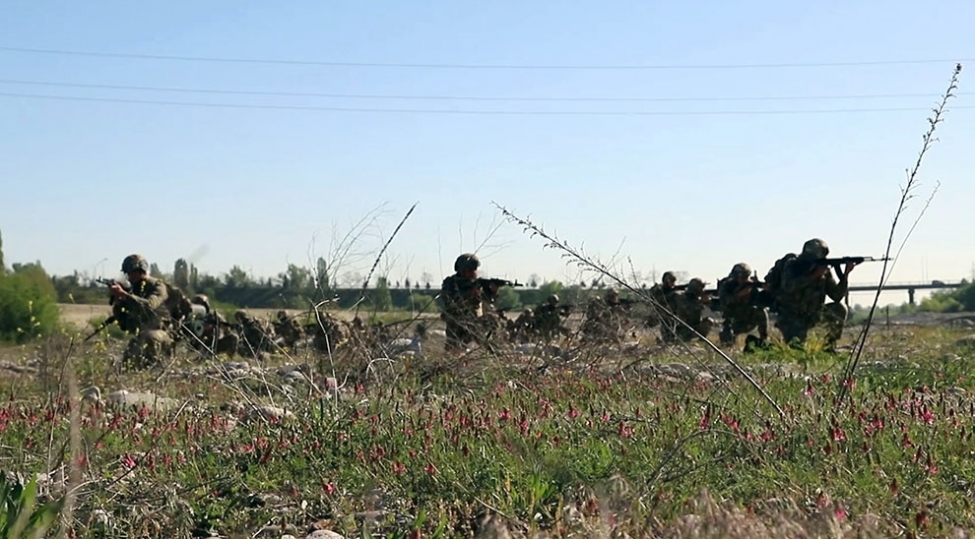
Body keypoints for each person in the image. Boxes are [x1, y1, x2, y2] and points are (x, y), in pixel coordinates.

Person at [774, 238, 856, 352]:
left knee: (839, 308)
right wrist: (813, 276)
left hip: (813, 315)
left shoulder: (823, 270)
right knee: (796, 350)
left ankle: (829, 346)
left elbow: (836, 296)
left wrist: (845, 275)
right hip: (791, 317)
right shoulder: (793, 265)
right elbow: (788, 287)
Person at [108, 254, 174, 368]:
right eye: (127, 273)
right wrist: (119, 304)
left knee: (150, 337)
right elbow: (125, 325)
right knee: (127, 366)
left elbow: (149, 305)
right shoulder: (133, 290)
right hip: (142, 336)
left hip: (162, 335)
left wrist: (125, 296)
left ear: (141, 270)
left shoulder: (157, 286)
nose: (129, 276)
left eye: (131, 272)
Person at [440, 253, 501, 352]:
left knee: (491, 319)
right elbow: (450, 301)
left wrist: (493, 292)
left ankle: (494, 350)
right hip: (456, 322)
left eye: (474, 270)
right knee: (453, 351)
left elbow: (488, 300)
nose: (473, 272)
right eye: (470, 270)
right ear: (461, 270)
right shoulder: (450, 283)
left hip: (474, 321)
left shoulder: (477, 283)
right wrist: (469, 294)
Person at [717, 263, 770, 349]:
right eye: (741, 277)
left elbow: (759, 301)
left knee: (761, 311)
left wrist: (763, 288)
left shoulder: (750, 285)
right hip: (733, 320)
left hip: (747, 318)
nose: (743, 279)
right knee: (727, 342)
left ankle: (764, 340)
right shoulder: (726, 285)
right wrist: (738, 295)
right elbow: (724, 301)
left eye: (745, 277)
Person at [648, 271, 681, 342]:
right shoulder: (658, 290)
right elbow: (658, 299)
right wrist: (672, 294)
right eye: (671, 281)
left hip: (671, 314)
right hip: (661, 315)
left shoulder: (672, 291)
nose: (673, 284)